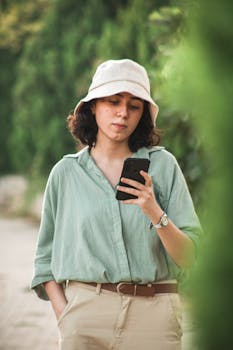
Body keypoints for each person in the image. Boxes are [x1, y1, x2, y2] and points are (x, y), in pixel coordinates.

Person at [31, 59, 201, 350]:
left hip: (154, 317)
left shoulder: (163, 166)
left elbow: (191, 257)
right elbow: (45, 262)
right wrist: (67, 318)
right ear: (93, 106)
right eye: (113, 101)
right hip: (85, 319)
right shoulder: (65, 174)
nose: (123, 113)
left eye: (134, 106)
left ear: (142, 114)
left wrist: (154, 211)